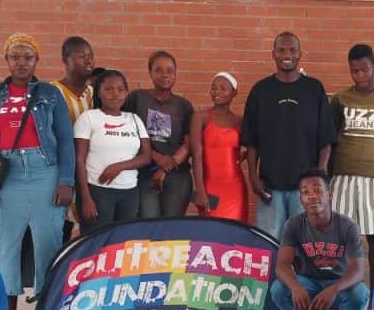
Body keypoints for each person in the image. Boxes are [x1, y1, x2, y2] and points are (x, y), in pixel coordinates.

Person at [0, 33, 74, 310]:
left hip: (45, 172)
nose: (21, 63)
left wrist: (66, 181)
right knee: (9, 248)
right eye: (15, 57)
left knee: (48, 246)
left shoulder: (50, 94)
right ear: (6, 60)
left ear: (36, 60)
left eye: (27, 57)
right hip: (9, 175)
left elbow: (65, 139)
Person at [241, 32, 337, 238]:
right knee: (269, 242)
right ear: (273, 54)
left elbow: (326, 138)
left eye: (292, 50)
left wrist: (320, 174)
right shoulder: (260, 90)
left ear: (300, 54)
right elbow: (251, 140)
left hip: (306, 187)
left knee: (306, 242)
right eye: (281, 50)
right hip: (270, 186)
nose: (287, 55)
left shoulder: (314, 89)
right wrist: (253, 177)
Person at [329, 43, 374, 303]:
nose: (360, 75)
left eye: (365, 69)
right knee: (340, 238)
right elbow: (330, 140)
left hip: (373, 178)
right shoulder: (340, 99)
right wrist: (327, 177)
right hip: (342, 176)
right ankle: (340, 293)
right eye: (354, 71)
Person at [269, 169, 369, 310]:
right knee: (279, 289)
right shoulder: (294, 224)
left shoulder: (348, 226)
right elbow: (282, 264)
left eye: (317, 190)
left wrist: (334, 289)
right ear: (301, 200)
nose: (312, 196)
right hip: (309, 283)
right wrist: (296, 287)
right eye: (305, 192)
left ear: (329, 195)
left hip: (339, 284)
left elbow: (358, 271)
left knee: (360, 294)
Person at [74, 69, 152, 231]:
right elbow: (79, 159)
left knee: (122, 241)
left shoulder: (134, 119)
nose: (115, 94)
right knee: (96, 240)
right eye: (108, 89)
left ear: (126, 92)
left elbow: (146, 157)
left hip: (129, 192)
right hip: (98, 191)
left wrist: (118, 167)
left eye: (120, 89)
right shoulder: (89, 118)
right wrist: (86, 198)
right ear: (99, 92)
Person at [127, 51, 194, 218]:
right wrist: (155, 156)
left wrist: (165, 168)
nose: (165, 75)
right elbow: (128, 134)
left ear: (175, 74)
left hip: (177, 175)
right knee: (149, 225)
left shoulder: (183, 105)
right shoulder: (137, 98)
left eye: (170, 71)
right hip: (144, 173)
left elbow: (188, 144)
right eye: (159, 70)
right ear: (150, 72)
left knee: (172, 227)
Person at [52, 35, 96, 242]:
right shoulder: (52, 93)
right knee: (60, 233)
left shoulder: (95, 94)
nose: (88, 60)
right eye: (81, 56)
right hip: (62, 173)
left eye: (90, 56)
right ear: (65, 59)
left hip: (89, 173)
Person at [190, 71, 248, 220]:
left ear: (234, 93)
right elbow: (196, 156)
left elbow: (254, 146)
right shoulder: (200, 117)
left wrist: (242, 155)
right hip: (209, 186)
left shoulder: (240, 121)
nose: (217, 92)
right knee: (210, 230)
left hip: (235, 189)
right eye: (214, 88)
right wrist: (200, 191)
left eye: (223, 88)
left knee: (235, 231)